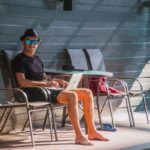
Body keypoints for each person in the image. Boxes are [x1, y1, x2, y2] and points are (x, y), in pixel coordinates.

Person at [12, 28, 109, 146]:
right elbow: (22, 82)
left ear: (38, 43)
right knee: (72, 95)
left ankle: (92, 132)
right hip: (31, 92)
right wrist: (46, 84)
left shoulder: (37, 59)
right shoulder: (19, 60)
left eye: (34, 41)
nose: (32, 44)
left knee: (87, 92)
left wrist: (55, 80)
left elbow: (43, 77)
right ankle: (79, 136)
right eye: (28, 41)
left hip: (45, 89)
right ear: (23, 42)